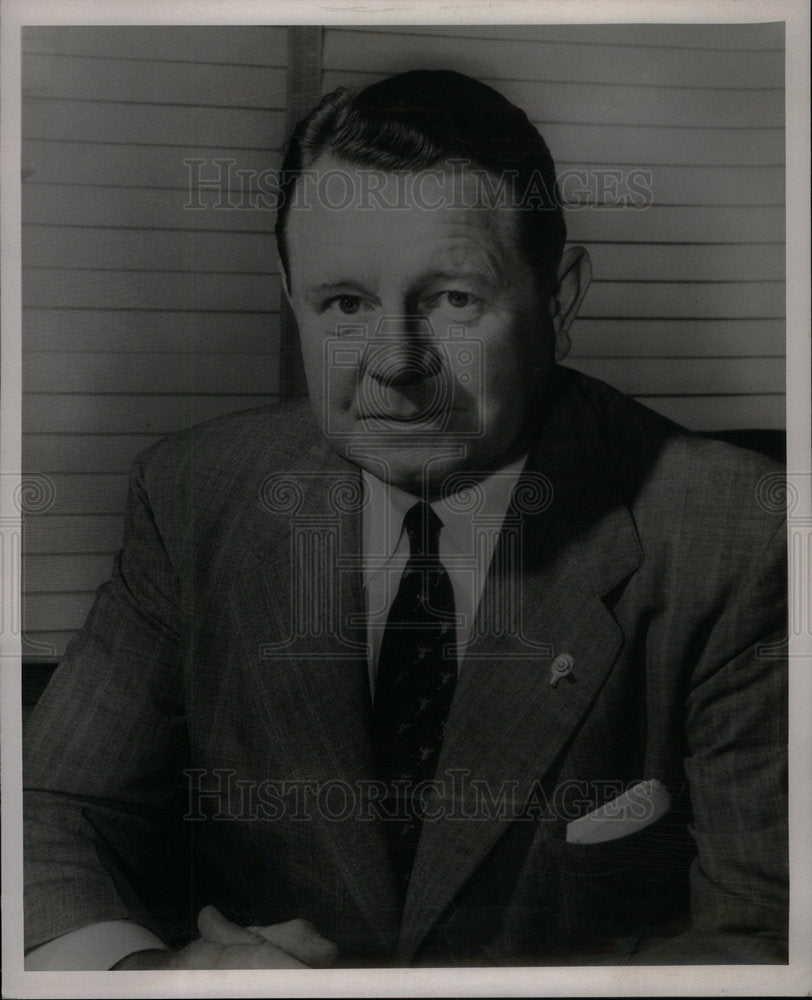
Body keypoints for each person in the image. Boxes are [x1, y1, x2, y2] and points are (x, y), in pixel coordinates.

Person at [24, 70, 787, 970]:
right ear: (289, 294)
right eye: (344, 304)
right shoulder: (194, 492)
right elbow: (57, 811)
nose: (394, 362)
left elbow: (761, 937)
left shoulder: (741, 535)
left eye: (453, 300)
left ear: (561, 300)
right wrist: (153, 978)